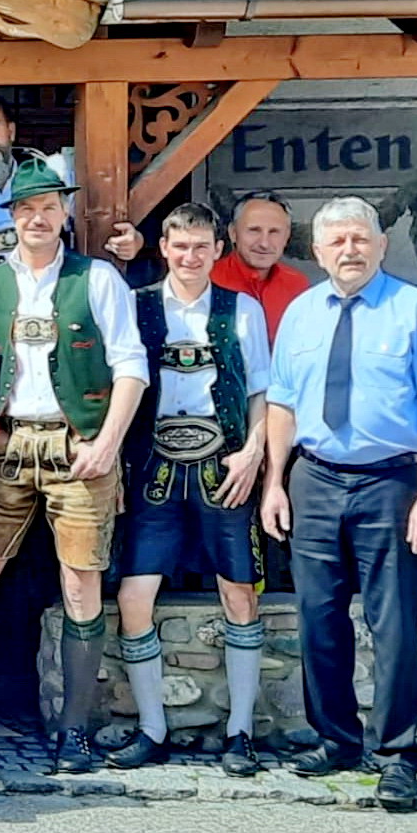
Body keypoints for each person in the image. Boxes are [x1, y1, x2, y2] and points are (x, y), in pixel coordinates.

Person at [260, 196, 417, 814]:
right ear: (318, 251)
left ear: (380, 245)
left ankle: (397, 754)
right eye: (337, 241)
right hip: (315, 479)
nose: (349, 250)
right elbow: (282, 404)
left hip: (390, 483)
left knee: (393, 622)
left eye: (360, 238)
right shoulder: (300, 314)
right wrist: (274, 482)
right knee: (317, 616)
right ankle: (337, 739)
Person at [0, 155, 147, 773]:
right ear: (11, 217)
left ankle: (75, 730)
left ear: (64, 213)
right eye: (26, 209)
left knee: (79, 583)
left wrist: (107, 443)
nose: (37, 218)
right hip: (8, 445)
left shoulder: (98, 279)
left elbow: (131, 367)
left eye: (47, 207)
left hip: (78, 445)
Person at [104, 203, 271, 776]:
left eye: (202, 246)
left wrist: (253, 451)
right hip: (154, 467)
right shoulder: (136, 306)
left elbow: (262, 390)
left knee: (240, 594)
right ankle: (152, 728)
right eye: (181, 246)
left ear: (218, 249)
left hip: (224, 464)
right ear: (164, 249)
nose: (191, 256)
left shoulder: (241, 309)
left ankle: (240, 732)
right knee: (133, 598)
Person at [0, 93, 138, 294]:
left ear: (11, 132)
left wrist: (133, 241)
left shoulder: (58, 181)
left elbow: (106, 228)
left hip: (58, 308)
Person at [211, 190, 310, 342]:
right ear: (233, 233)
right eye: (254, 230)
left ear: (287, 236)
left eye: (274, 232)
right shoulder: (208, 281)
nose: (264, 243)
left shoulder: (297, 285)